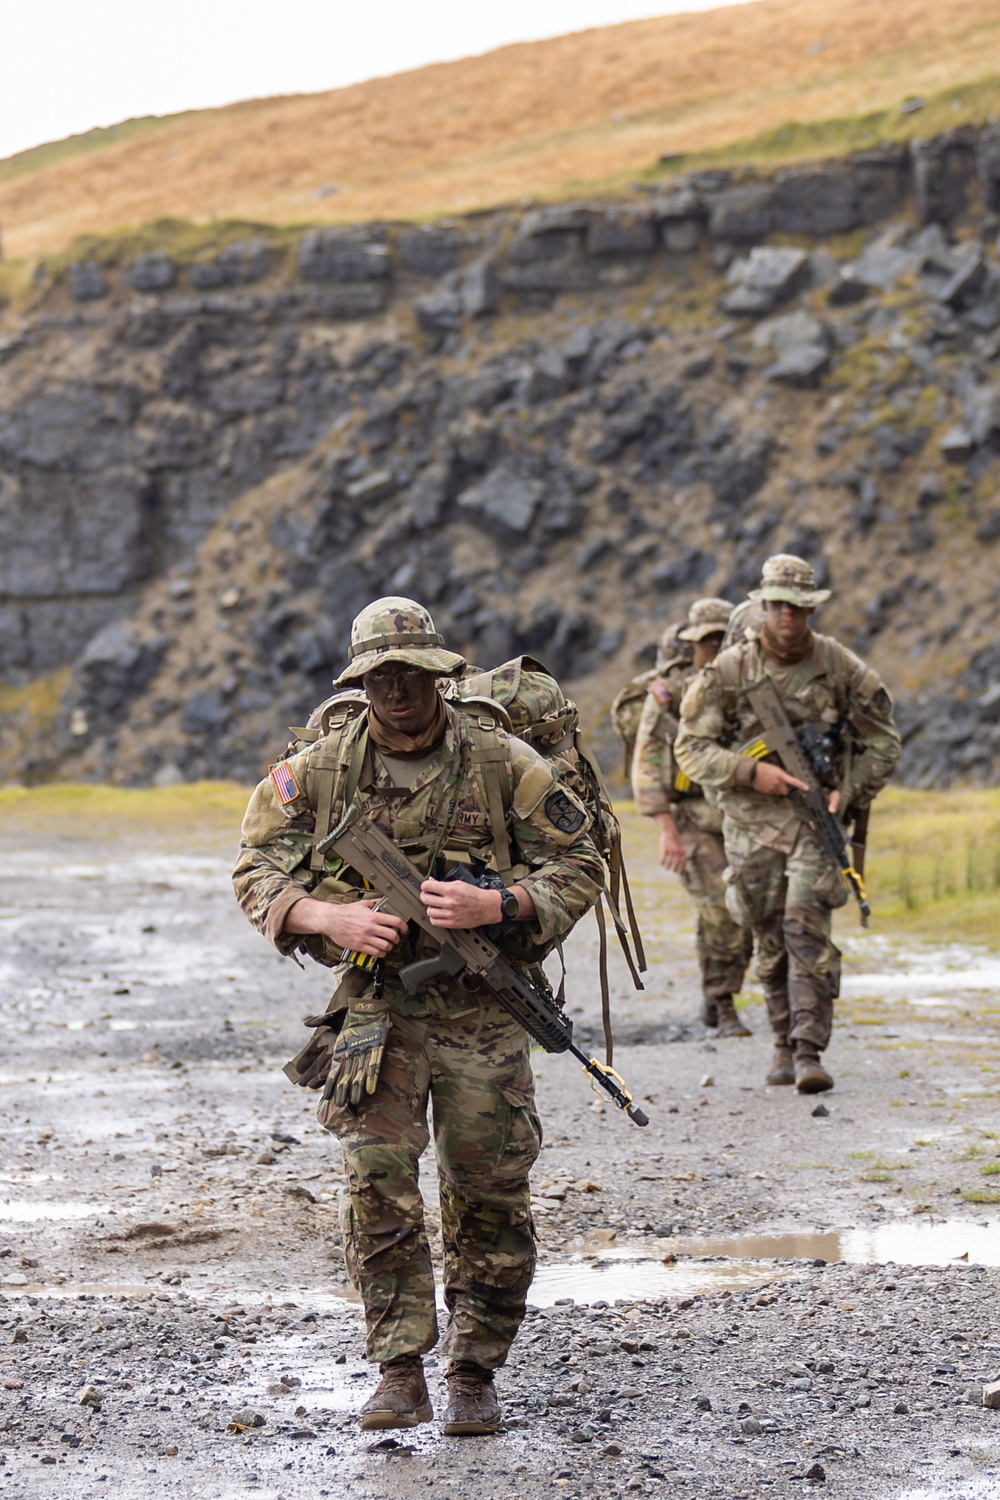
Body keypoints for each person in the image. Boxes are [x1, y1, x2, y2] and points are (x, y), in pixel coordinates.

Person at [233, 597, 603, 1435]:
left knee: (489, 1191)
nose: (395, 692)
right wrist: (326, 918)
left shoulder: (502, 761)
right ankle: (400, 1370)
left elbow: (578, 860)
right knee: (377, 1188)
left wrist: (499, 903)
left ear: (439, 674)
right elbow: (255, 867)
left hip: (482, 1011)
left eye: (409, 675)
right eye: (378, 677)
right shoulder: (323, 769)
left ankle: (475, 1373)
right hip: (378, 1014)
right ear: (361, 681)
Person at [674, 556, 900, 1094]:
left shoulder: (840, 667)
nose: (788, 617)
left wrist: (852, 788)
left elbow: (883, 740)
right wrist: (752, 772)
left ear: (809, 609)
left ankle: (807, 1049)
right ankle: (780, 1038)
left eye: (798, 608)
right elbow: (691, 748)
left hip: (813, 822)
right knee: (766, 931)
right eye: (778, 606)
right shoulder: (728, 671)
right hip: (750, 826)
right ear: (764, 606)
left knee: (806, 923)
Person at [631, 597, 753, 1037]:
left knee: (748, 910)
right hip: (691, 819)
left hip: (741, 819)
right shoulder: (671, 694)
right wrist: (667, 830)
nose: (718, 646)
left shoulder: (746, 686)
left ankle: (717, 991)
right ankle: (723, 1004)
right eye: (709, 640)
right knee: (719, 910)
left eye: (725, 637)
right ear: (693, 643)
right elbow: (645, 763)